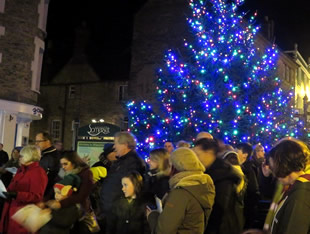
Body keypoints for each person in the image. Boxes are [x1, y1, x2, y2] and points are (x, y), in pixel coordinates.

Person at [147, 147, 215, 233]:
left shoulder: (181, 193)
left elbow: (164, 230)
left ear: (176, 166)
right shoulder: (201, 185)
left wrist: (151, 215)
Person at [194, 138, 243, 234]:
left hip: (222, 228)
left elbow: (219, 209)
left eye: (198, 154)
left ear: (208, 153)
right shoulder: (210, 172)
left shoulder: (222, 175)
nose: (196, 158)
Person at [99, 131, 146, 230]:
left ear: (125, 145)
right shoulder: (122, 161)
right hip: (112, 210)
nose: (114, 147)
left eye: (116, 144)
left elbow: (130, 188)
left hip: (119, 213)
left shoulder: (132, 163)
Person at [45, 151, 98, 234]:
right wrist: (45, 200)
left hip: (79, 212)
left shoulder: (86, 173)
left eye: (65, 164)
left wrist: (61, 203)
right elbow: (54, 187)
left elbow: (82, 196)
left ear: (74, 162)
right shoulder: (62, 172)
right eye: (61, 164)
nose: (63, 167)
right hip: (65, 212)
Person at [0, 145, 48, 234]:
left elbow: (36, 196)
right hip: (12, 209)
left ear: (29, 156)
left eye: (21, 156)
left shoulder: (38, 172)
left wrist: (16, 194)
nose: (19, 158)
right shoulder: (21, 170)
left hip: (24, 213)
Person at [267, 139, 310, 234]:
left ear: (282, 165)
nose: (273, 173)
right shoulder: (298, 187)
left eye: (273, 167)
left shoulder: (300, 194)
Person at [236, 142, 260, 229]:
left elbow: (253, 191)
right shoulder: (241, 168)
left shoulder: (248, 170)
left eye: (237, 151)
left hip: (245, 212)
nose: (234, 154)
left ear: (245, 155)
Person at [35, 132, 61, 199]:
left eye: (39, 141)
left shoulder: (51, 157)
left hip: (47, 193)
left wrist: (45, 197)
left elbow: (50, 178)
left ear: (47, 142)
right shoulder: (45, 154)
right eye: (36, 141)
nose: (36, 144)